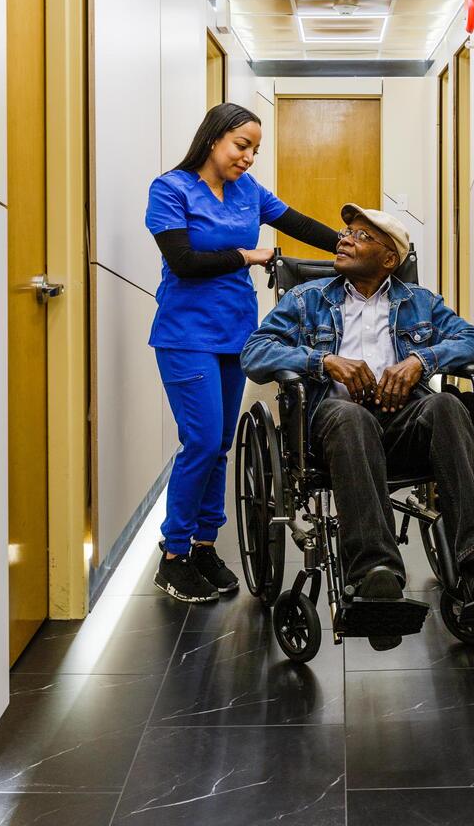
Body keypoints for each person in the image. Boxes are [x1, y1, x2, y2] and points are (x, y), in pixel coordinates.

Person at [241, 204, 474, 648]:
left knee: (447, 406)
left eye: (361, 236)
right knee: (351, 417)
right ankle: (376, 572)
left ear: (391, 258)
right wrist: (323, 361)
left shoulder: (420, 303)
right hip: (334, 426)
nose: (344, 239)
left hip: (402, 425)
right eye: (345, 232)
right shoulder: (307, 299)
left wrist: (421, 360)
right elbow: (255, 353)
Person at [145, 102, 338, 603]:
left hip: (236, 332)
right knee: (202, 441)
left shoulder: (248, 191)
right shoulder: (171, 189)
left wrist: (351, 246)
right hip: (186, 335)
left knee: (221, 444)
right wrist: (248, 255)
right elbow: (184, 262)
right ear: (213, 138)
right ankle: (173, 555)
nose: (248, 157)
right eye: (241, 145)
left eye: (254, 149)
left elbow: (298, 223)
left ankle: (204, 544)